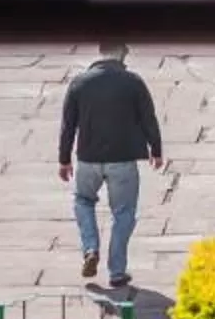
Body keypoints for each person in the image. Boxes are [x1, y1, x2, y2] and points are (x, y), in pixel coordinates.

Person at [57, 37, 165, 296]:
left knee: (83, 201)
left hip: (87, 159)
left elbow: (68, 125)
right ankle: (117, 272)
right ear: (122, 54)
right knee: (123, 213)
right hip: (123, 160)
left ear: (101, 52)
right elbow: (148, 118)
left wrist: (63, 159)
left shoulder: (80, 83)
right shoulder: (133, 83)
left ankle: (90, 249)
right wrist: (156, 150)